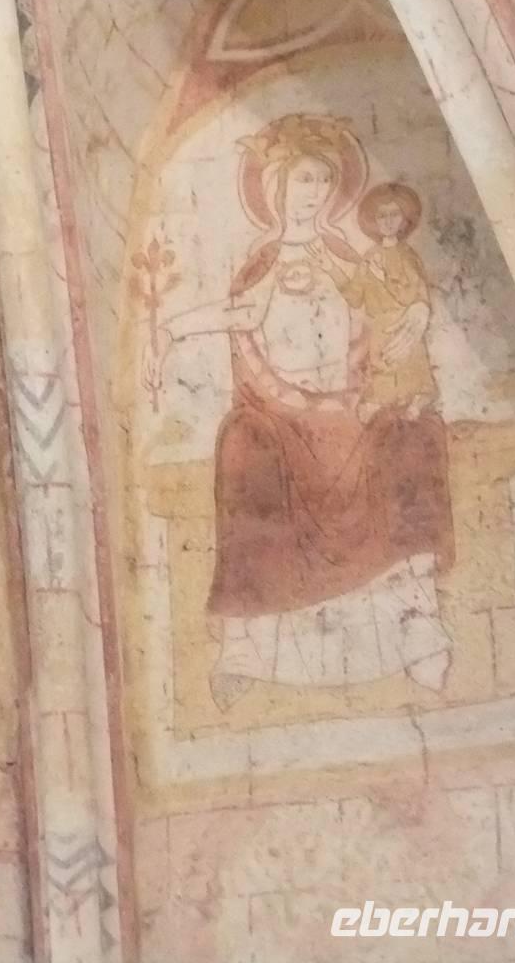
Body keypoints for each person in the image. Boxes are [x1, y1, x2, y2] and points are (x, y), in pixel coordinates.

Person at [146, 114, 453, 706]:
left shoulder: (349, 256)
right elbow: (238, 315)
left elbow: (387, 302)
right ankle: (243, 639)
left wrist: (417, 314)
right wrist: (170, 332)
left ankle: (419, 621)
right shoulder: (262, 264)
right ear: (276, 188)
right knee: (242, 444)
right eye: (302, 180)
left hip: (352, 405)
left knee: (413, 433)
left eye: (323, 181)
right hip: (283, 416)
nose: (313, 193)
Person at [346, 181, 437, 419]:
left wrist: (383, 278)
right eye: (382, 215)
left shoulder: (407, 255)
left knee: (411, 369)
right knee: (382, 371)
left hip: (404, 323)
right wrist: (331, 269)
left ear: (405, 219)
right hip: (380, 327)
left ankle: (416, 404)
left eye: (394, 214)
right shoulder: (369, 257)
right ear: (373, 221)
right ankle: (382, 405)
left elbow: (411, 296)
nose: (388, 221)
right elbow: (354, 297)